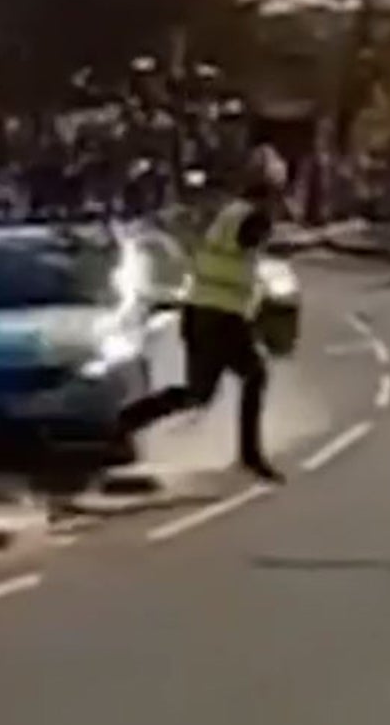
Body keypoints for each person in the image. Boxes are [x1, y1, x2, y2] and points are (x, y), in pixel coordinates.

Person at [119, 145, 290, 481]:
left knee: (198, 393)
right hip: (221, 316)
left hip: (200, 311)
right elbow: (252, 241)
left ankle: (125, 421)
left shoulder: (231, 212)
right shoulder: (252, 218)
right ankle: (250, 455)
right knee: (255, 375)